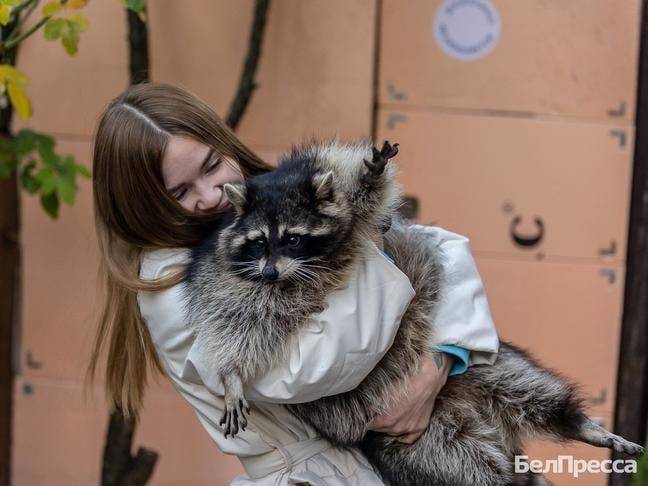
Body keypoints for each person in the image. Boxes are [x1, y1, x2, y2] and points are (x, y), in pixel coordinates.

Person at [86, 82, 499, 485]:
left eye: (212, 166)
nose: (210, 195)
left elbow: (442, 251)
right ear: (144, 206)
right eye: (180, 191)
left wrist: (438, 362)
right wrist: (363, 239)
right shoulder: (170, 287)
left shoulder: (270, 200)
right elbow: (310, 367)